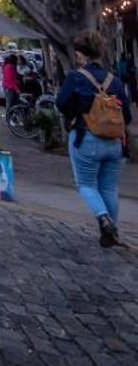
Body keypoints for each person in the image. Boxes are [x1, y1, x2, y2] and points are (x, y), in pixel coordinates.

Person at [56, 31, 131, 247]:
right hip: (115, 143)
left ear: (80, 54)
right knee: (109, 188)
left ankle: (102, 217)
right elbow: (127, 114)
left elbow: (61, 103)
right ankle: (111, 232)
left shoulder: (76, 77)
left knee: (86, 184)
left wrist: (78, 113)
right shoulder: (114, 81)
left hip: (86, 137)